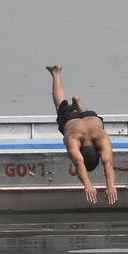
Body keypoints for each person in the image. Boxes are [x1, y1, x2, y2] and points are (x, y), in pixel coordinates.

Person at [47, 65, 117, 205]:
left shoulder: (101, 139)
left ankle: (79, 105)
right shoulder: (73, 139)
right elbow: (79, 164)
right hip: (72, 122)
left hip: (92, 118)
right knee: (59, 104)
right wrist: (87, 186)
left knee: (91, 121)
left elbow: (108, 164)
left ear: (97, 152)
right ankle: (56, 72)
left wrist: (111, 186)